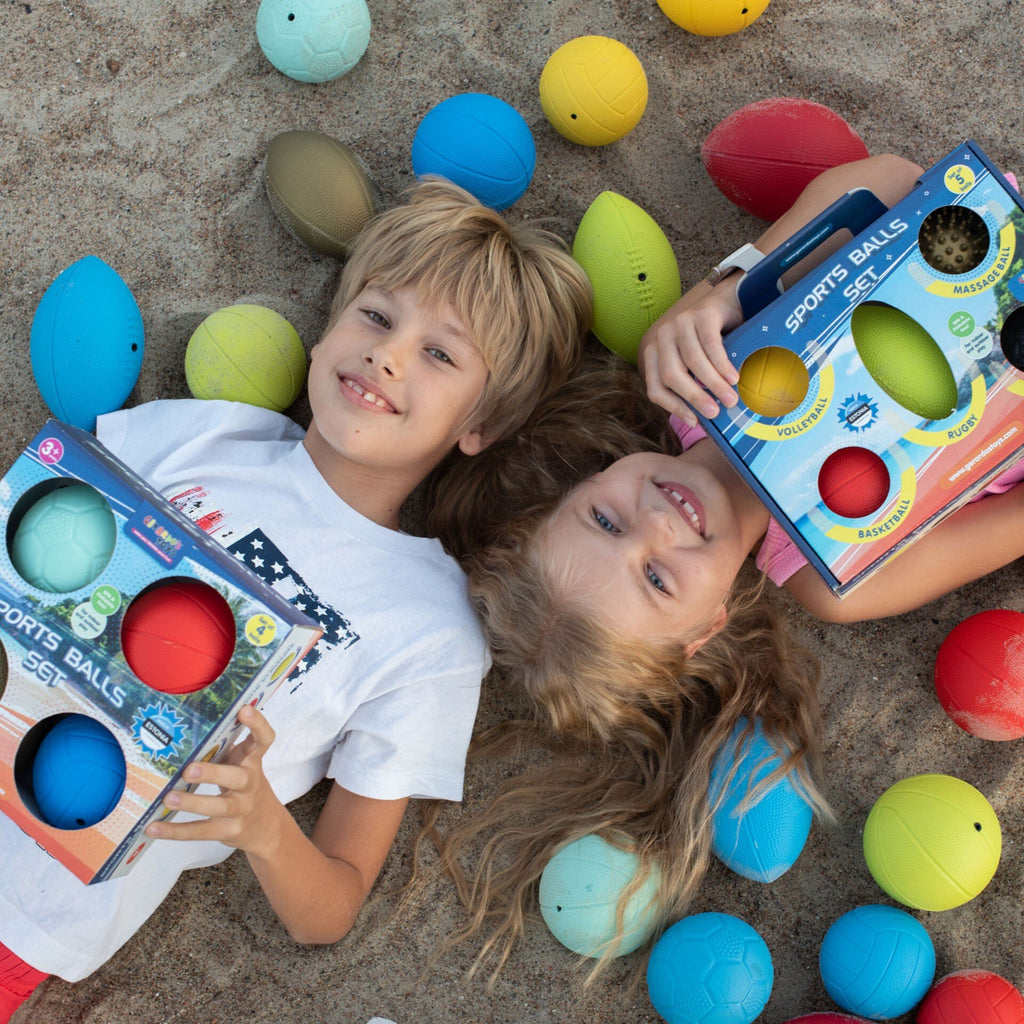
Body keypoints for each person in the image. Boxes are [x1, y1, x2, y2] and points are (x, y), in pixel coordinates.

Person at [0, 177, 593, 1020]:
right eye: (379, 318)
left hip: (29, 906)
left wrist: (262, 826)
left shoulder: (430, 630)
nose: (389, 355)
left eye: (440, 354)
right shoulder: (204, 433)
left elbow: (333, 907)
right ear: (323, 339)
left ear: (481, 426)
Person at [421, 153, 1024, 977]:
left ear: (583, 482)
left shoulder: (695, 365)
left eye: (604, 518)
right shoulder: (837, 577)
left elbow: (889, 179)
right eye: (657, 581)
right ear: (707, 629)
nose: (656, 527)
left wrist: (725, 291)